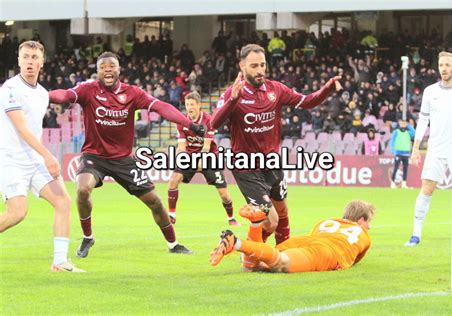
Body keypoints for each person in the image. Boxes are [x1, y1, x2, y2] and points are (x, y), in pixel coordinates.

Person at [49, 51, 207, 257]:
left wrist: (190, 125)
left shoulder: (132, 93)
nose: (107, 69)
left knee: (155, 202)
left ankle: (173, 244)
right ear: (97, 71)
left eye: (111, 66)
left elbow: (161, 107)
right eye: (103, 67)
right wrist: (39, 94)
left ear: (118, 70)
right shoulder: (88, 90)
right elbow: (64, 96)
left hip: (123, 159)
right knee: (82, 189)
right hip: (94, 156)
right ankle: (88, 238)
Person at [210, 44, 341, 271]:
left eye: (263, 65)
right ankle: (249, 257)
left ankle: (281, 254)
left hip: (272, 163)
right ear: (242, 66)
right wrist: (232, 99)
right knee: (269, 219)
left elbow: (307, 101)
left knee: (282, 214)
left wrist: (327, 89)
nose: (260, 70)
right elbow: (213, 124)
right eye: (254, 66)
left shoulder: (276, 89)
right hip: (246, 167)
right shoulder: (232, 95)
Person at [0, 41, 83, 272]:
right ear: (18, 60)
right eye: (25, 57)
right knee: (17, 213)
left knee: (63, 202)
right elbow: (22, 129)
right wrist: (48, 156)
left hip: (34, 160)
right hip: (11, 160)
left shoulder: (43, 94)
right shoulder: (10, 89)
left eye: (34, 57)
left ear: (42, 62)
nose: (29, 62)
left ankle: (60, 262)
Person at [210, 200, 374, 273]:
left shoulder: (326, 222)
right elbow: (354, 259)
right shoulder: (363, 234)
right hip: (327, 252)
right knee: (278, 263)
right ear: (361, 220)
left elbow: (314, 237)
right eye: (368, 222)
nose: (369, 226)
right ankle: (236, 242)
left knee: (253, 265)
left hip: (304, 241)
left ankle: (256, 224)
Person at [167, 92, 240, 227]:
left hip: (210, 157)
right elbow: (181, 147)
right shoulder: (182, 122)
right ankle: (171, 215)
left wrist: (201, 162)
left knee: (224, 194)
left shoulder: (208, 121)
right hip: (190, 156)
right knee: (173, 180)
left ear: (199, 105)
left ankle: (231, 218)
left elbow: (206, 147)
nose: (190, 108)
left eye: (192, 104)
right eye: (187, 104)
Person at [405, 52, 452, 247]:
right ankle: (416, 234)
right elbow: (423, 120)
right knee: (426, 189)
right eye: (441, 64)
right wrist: (416, 148)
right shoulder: (430, 91)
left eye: (448, 65)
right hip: (435, 149)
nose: (444, 68)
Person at [389, 119, 415, 189]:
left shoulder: (408, 132)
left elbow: (414, 133)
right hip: (398, 152)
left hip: (406, 153)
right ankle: (392, 183)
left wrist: (409, 125)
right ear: (399, 123)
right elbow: (392, 141)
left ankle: (404, 184)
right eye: (402, 123)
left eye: (404, 123)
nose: (403, 124)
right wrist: (393, 150)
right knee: (395, 168)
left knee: (405, 169)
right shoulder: (396, 132)